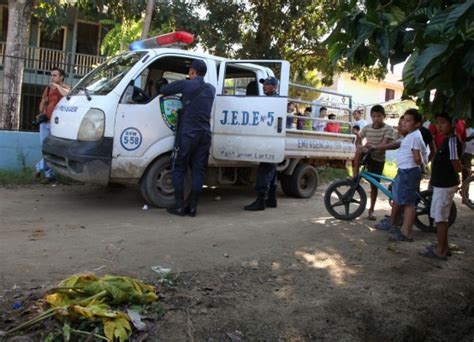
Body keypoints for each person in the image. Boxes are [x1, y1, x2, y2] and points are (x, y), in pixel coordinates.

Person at [159, 59, 216, 217]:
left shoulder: (186, 85)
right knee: (198, 170)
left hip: (188, 135)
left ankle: (179, 206)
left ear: (192, 72)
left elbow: (164, 89)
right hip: (204, 135)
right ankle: (193, 207)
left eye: (190, 70)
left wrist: (161, 83)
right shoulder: (211, 89)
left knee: (179, 167)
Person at [420, 113, 462, 260]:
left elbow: (456, 163)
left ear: (452, 124)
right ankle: (443, 246)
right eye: (437, 123)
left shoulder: (452, 141)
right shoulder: (446, 140)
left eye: (443, 123)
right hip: (440, 184)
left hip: (446, 185)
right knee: (440, 217)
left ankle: (441, 251)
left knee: (441, 218)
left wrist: (463, 170)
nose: (439, 126)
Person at [386, 109, 426, 242]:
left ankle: (406, 232)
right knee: (405, 201)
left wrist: (420, 165)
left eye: (409, 121)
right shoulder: (410, 135)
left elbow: (417, 158)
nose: (404, 123)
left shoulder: (414, 136)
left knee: (409, 203)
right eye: (404, 120)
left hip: (409, 172)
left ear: (417, 124)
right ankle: (401, 228)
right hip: (405, 171)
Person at [352, 105, 395, 220]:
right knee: (358, 151)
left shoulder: (388, 129)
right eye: (374, 116)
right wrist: (360, 145)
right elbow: (358, 140)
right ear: (371, 117)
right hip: (368, 154)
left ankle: (371, 210)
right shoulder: (367, 128)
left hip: (378, 159)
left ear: (384, 117)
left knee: (374, 185)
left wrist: (373, 146)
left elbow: (384, 146)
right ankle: (355, 174)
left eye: (379, 116)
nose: (376, 119)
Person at [244, 76, 279, 211]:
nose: (264, 86)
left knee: (264, 169)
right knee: (272, 169)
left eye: (267, 84)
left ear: (274, 87)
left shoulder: (274, 101)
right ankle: (271, 199)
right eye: (264, 84)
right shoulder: (270, 99)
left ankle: (260, 201)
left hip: (269, 139)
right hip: (271, 139)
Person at [35, 67, 70, 184]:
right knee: (45, 149)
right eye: (52, 75)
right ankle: (49, 175)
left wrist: (58, 87)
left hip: (57, 124)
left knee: (53, 150)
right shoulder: (48, 89)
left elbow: (68, 95)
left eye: (55, 75)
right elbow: (41, 106)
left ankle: (41, 168)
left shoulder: (65, 88)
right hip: (45, 123)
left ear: (61, 77)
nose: (52, 77)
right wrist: (43, 106)